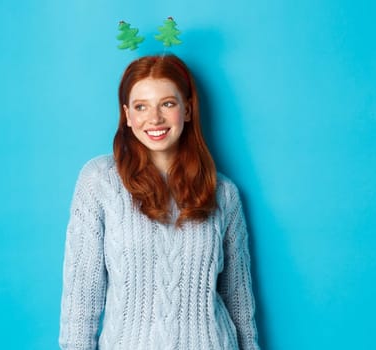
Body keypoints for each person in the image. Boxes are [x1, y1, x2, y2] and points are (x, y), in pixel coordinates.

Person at [57, 54, 260, 350]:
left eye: (167, 103)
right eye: (141, 106)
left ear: (187, 109)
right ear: (127, 115)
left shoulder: (224, 193)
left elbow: (239, 302)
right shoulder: (99, 181)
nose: (154, 118)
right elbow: (81, 300)